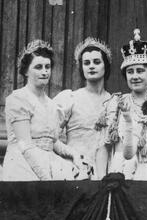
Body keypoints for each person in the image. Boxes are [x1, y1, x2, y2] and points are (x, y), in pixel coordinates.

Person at [3, 40, 81, 181]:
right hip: (22, 166)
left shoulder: (52, 105)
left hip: (48, 163)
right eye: (38, 67)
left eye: (48, 67)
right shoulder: (18, 99)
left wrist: (73, 154)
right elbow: (25, 146)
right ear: (26, 71)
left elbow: (53, 141)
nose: (44, 72)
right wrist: (45, 180)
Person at [54, 37, 112, 180]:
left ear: (106, 66)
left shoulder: (114, 101)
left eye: (97, 62)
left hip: (105, 171)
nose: (91, 66)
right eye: (86, 63)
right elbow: (50, 136)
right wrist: (73, 155)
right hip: (76, 170)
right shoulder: (70, 98)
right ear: (81, 68)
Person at [104, 29, 147, 178]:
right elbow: (107, 146)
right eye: (130, 72)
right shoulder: (117, 103)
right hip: (122, 169)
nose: (134, 76)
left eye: (140, 71)